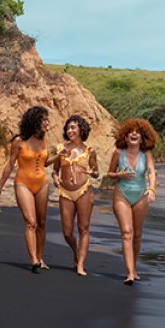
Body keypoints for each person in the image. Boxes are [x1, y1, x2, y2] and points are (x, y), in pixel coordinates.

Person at [0, 105, 53, 273]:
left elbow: (45, 162)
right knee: (31, 222)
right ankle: (33, 259)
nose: (48, 123)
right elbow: (10, 165)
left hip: (42, 183)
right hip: (23, 183)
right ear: (35, 121)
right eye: (45, 120)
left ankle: (40, 257)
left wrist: (59, 157)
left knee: (41, 223)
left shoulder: (44, 140)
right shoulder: (19, 141)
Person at [106, 118, 158, 285]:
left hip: (141, 194)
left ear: (143, 137)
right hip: (122, 193)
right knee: (127, 232)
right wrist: (119, 175)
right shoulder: (118, 153)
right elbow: (109, 173)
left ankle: (134, 268)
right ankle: (129, 273)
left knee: (137, 234)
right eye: (131, 131)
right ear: (125, 136)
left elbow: (151, 172)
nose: (134, 133)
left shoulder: (146, 154)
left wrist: (151, 189)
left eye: (138, 132)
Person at [50, 114, 99, 276]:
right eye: (68, 128)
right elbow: (55, 170)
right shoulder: (60, 148)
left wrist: (94, 172)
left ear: (81, 129)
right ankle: (76, 251)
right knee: (67, 232)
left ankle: (81, 264)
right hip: (65, 191)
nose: (69, 130)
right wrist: (55, 178)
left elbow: (96, 172)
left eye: (73, 127)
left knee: (83, 228)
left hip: (84, 189)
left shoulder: (90, 151)